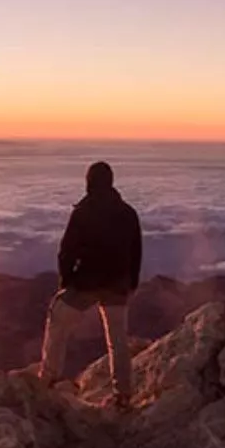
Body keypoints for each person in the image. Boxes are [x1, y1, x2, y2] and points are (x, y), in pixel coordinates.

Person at [38, 161, 142, 410]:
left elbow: (66, 251)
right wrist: (131, 283)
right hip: (118, 283)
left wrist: (66, 282)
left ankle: (48, 378)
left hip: (87, 282)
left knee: (58, 317)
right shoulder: (128, 213)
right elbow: (136, 251)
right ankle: (123, 395)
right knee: (117, 340)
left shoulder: (83, 211)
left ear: (89, 182)